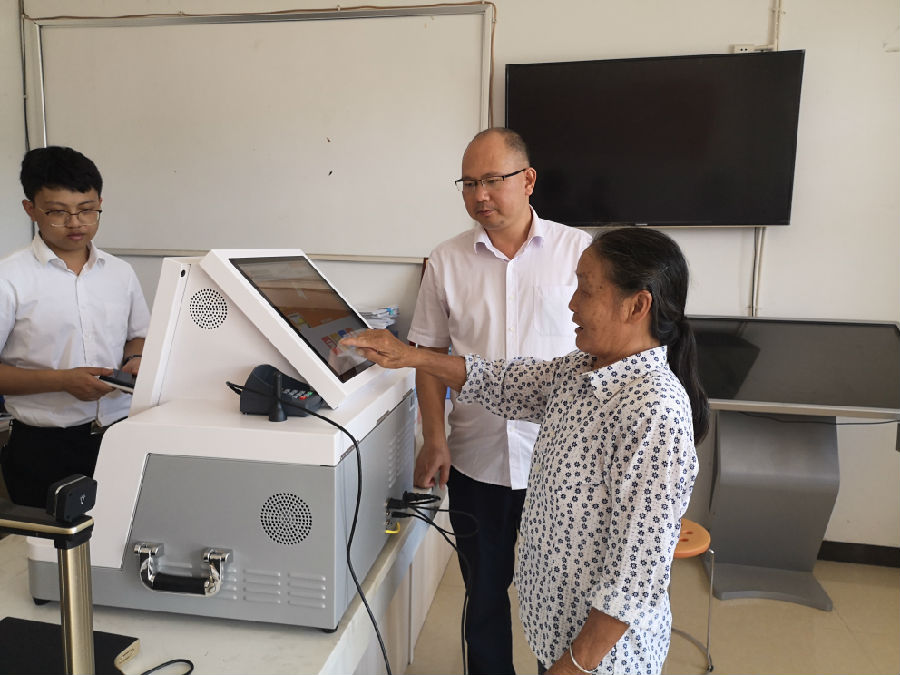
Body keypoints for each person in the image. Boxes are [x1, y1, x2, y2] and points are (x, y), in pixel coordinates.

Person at [343, 226, 709, 675]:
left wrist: (574, 665)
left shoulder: (653, 411)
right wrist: (411, 356)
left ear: (637, 306)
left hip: (598, 660)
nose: (572, 304)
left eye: (586, 291)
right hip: (556, 631)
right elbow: (501, 381)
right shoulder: (581, 370)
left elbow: (635, 573)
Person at [407, 127, 592, 673]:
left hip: (560, 464)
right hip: (476, 460)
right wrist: (435, 438)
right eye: (468, 183)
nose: (479, 195)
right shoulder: (445, 261)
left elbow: (601, 354)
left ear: (528, 180)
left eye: (492, 180)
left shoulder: (579, 252)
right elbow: (428, 356)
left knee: (559, 599)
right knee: (483, 594)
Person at [0, 146, 150, 508]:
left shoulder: (119, 272)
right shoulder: (9, 278)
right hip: (44, 447)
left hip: (120, 436)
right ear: (30, 209)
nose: (76, 223)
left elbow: (138, 335)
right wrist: (62, 382)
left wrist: (134, 360)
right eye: (57, 212)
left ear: (100, 203)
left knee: (121, 536)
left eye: (87, 210)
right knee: (51, 543)